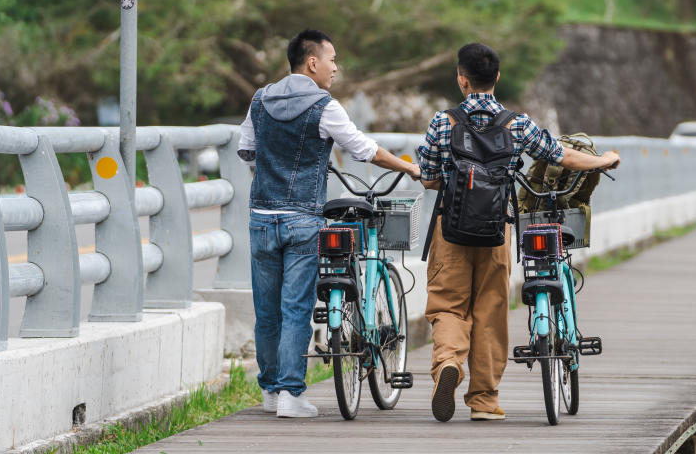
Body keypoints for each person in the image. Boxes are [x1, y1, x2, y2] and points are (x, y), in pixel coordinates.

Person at [417, 43, 619, 423]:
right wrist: (603, 159)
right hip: (497, 229)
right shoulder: (516, 123)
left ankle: (449, 364)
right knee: (489, 311)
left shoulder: (443, 122)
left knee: (448, 306)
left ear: (462, 79)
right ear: (497, 77)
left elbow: (428, 178)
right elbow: (560, 155)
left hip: (451, 229)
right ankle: (484, 401)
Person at [237, 30, 421, 419]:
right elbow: (363, 149)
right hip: (303, 219)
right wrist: (409, 167)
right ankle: (290, 393)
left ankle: (270, 392)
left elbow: (246, 148)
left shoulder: (260, 99)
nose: (336, 67)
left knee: (266, 311)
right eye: (332, 59)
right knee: (296, 308)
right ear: (312, 62)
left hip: (261, 218)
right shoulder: (325, 106)